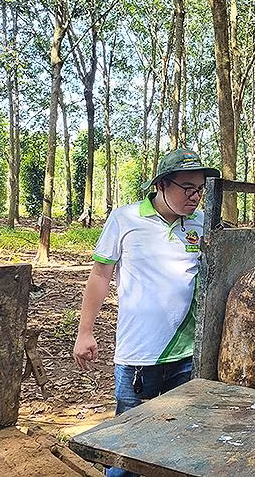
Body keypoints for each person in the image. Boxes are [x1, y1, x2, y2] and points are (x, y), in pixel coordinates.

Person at [73, 148, 220, 477]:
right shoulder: (125, 219)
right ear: (162, 185)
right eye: (188, 188)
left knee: (177, 443)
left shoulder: (201, 224)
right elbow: (100, 276)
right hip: (139, 356)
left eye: (200, 189)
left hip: (188, 357)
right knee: (129, 447)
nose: (196, 197)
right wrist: (85, 332)